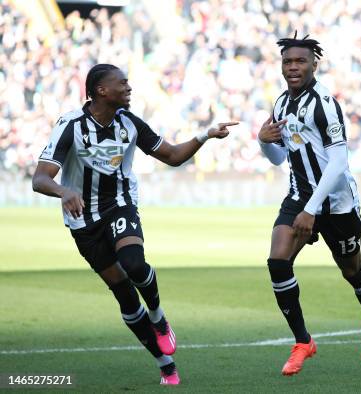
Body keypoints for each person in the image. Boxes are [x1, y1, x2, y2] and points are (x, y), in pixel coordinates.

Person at [32, 63, 237, 385]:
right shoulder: (71, 125)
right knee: (124, 294)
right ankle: (165, 363)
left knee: (134, 264)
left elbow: (171, 155)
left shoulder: (129, 123)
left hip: (120, 206)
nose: (129, 88)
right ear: (101, 90)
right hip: (83, 220)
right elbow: (40, 178)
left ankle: (158, 316)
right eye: (122, 83)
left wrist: (205, 135)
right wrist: (63, 191)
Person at [257, 33, 361, 376]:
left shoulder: (324, 103)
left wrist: (312, 209)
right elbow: (278, 157)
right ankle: (303, 341)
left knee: (350, 270)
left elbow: (339, 160)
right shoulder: (282, 103)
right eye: (287, 62)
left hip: (336, 204)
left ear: (315, 63)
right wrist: (263, 142)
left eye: (300, 61)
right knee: (277, 261)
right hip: (299, 195)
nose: (293, 67)